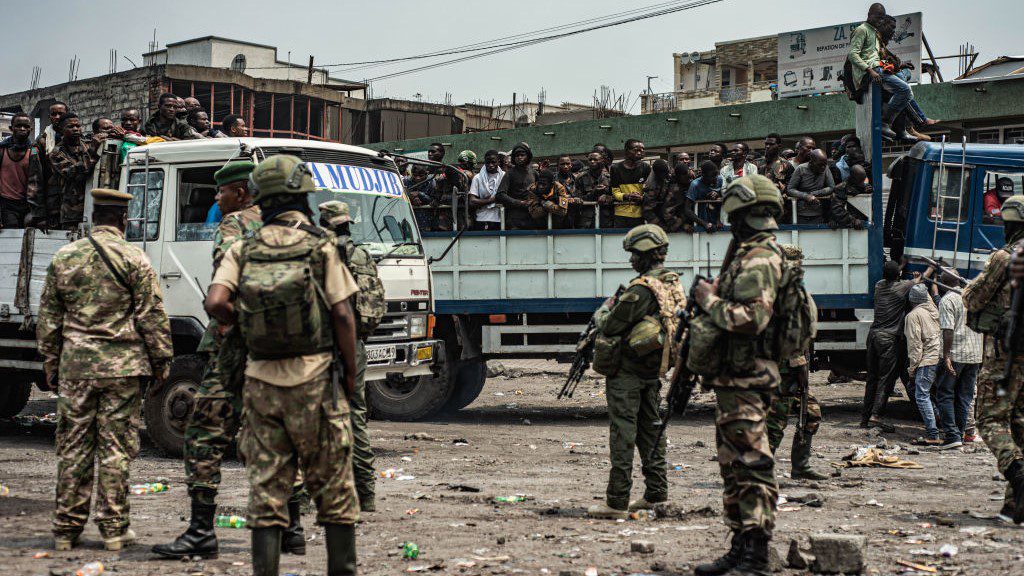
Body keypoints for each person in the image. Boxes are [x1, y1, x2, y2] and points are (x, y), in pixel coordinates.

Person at [204, 155, 360, 575]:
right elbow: (344, 315)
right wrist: (349, 373)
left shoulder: (243, 246)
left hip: (260, 381)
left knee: (267, 487)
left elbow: (216, 302)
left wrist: (248, 323)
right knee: (333, 488)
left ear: (259, 196)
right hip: (317, 380)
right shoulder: (320, 244)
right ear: (303, 195)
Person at [36, 188, 172, 552]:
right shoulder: (134, 258)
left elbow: (49, 318)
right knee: (115, 448)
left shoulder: (65, 257)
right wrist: (162, 362)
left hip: (77, 368)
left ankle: (66, 530)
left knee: (74, 446)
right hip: (122, 370)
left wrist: (51, 362)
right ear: (123, 219)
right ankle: (113, 530)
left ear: (94, 217)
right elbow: (152, 316)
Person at [152, 161, 272, 560]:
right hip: (281, 350)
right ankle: (286, 526)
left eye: (220, 193)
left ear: (239, 193)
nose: (216, 200)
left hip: (236, 347)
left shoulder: (234, 225)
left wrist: (226, 323)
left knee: (203, 432)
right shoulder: (293, 226)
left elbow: (223, 289)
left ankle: (201, 530)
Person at [689, 175, 786, 576]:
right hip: (734, 379)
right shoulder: (748, 254)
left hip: (747, 379)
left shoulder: (760, 258)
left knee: (750, 464)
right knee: (733, 465)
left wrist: (707, 299)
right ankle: (740, 545)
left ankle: (756, 554)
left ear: (744, 214)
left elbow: (752, 319)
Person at [587, 224, 686, 520]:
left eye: (633, 254)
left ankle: (616, 502)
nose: (631, 260)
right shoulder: (671, 282)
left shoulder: (641, 289)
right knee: (651, 430)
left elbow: (609, 325)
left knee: (623, 433)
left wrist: (604, 309)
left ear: (644, 254)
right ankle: (656, 494)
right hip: (652, 369)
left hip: (628, 372)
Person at [318, 200, 386, 513]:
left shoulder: (317, 252)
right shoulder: (361, 254)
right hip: (355, 342)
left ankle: (306, 499)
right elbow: (375, 301)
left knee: (313, 420)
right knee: (356, 413)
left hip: (321, 343)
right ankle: (367, 494)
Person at [961, 195, 1024, 525]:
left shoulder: (1006, 256)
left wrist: (966, 289)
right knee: (1020, 425)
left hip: (1004, 353)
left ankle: (1016, 471)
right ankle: (1014, 508)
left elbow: (974, 298)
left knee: (989, 420)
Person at [765, 244, 828, 481]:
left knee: (810, 414)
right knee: (775, 423)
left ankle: (800, 466)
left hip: (784, 366)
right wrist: (801, 369)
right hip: (784, 369)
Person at [862, 260, 923, 430]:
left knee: (872, 378)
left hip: (873, 336)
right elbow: (918, 280)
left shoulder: (879, 286)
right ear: (899, 275)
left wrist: (900, 266)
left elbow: (893, 274)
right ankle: (875, 416)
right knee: (885, 379)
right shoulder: (903, 287)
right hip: (888, 340)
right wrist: (924, 272)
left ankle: (865, 417)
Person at [935, 269, 982, 447]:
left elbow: (948, 330)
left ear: (943, 282)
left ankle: (952, 436)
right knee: (965, 396)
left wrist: (946, 355)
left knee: (945, 394)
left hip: (956, 354)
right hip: (974, 355)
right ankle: (960, 434)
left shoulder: (947, 300)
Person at [43, 113, 102, 230]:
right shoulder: (56, 153)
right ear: (61, 130)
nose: (76, 129)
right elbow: (74, 173)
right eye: (70, 127)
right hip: (72, 211)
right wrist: (92, 151)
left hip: (95, 207)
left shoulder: (88, 144)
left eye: (78, 126)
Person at [904, 284, 943, 446]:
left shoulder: (913, 316)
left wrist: (912, 369)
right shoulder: (934, 310)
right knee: (926, 391)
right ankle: (938, 417)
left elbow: (915, 346)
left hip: (927, 359)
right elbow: (927, 298)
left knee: (921, 395)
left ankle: (933, 433)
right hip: (940, 357)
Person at [848, 4, 891, 136]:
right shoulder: (862, 29)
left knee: (900, 85)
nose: (880, 20)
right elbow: (853, 54)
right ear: (869, 15)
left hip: (875, 69)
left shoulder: (875, 32)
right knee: (902, 89)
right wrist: (869, 70)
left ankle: (891, 126)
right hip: (867, 74)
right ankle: (916, 121)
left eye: (883, 18)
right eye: (878, 17)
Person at [0, 113, 38, 228]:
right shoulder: (2, 150)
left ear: (31, 129)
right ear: (11, 128)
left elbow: (38, 181)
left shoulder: (34, 151)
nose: (22, 129)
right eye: (18, 126)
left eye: (26, 126)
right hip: (7, 204)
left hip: (27, 204)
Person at [496, 142, 538, 230]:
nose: (519, 157)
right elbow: (500, 194)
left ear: (528, 156)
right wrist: (519, 202)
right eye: (517, 155)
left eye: (522, 155)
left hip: (533, 216)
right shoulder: (510, 173)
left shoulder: (534, 173)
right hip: (515, 218)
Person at [610, 139, 651, 229]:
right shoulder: (615, 168)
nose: (640, 152)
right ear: (626, 151)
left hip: (640, 214)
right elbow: (615, 192)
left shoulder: (646, 167)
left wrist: (642, 197)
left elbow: (649, 190)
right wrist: (627, 196)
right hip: (621, 214)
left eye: (642, 150)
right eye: (636, 150)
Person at [787, 149, 836, 224]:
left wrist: (814, 194)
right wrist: (805, 196)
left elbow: (832, 187)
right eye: (820, 165)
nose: (823, 167)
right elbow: (790, 189)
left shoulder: (825, 168)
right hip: (800, 214)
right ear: (811, 162)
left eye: (825, 164)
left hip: (818, 213)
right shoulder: (801, 169)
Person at [574, 151, 612, 229]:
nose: (592, 161)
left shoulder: (609, 178)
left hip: (606, 219)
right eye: (590, 160)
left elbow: (615, 195)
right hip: (586, 220)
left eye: (595, 159)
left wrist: (607, 197)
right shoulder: (580, 178)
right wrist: (594, 192)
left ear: (602, 161)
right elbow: (577, 199)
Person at [468, 150, 504, 231]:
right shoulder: (477, 178)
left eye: (493, 162)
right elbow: (472, 201)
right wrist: (491, 200)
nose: (490, 165)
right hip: (481, 219)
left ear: (498, 162)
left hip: (500, 218)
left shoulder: (504, 176)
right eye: (488, 162)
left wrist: (481, 201)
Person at [684, 161, 724, 232]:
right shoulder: (695, 185)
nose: (715, 179)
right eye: (711, 177)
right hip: (701, 222)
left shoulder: (720, 179)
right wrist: (704, 224)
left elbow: (726, 195)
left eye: (716, 176)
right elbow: (687, 209)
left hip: (718, 222)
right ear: (703, 175)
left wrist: (718, 194)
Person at [829, 164, 869, 230]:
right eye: (860, 181)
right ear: (852, 178)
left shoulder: (863, 186)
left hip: (861, 225)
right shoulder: (840, 188)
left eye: (863, 180)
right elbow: (837, 210)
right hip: (849, 225)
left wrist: (867, 190)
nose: (862, 183)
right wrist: (853, 220)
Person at [641, 159, 672, 228]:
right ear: (658, 174)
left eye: (667, 172)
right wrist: (660, 225)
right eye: (664, 174)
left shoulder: (665, 165)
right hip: (656, 215)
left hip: (666, 211)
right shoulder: (651, 186)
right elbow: (647, 211)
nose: (667, 175)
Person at [405, 164, 436, 231]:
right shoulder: (406, 182)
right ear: (412, 173)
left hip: (427, 220)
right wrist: (411, 199)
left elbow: (434, 200)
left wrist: (419, 194)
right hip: (410, 219)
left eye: (421, 176)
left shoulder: (431, 182)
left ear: (427, 174)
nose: (417, 178)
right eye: (415, 175)